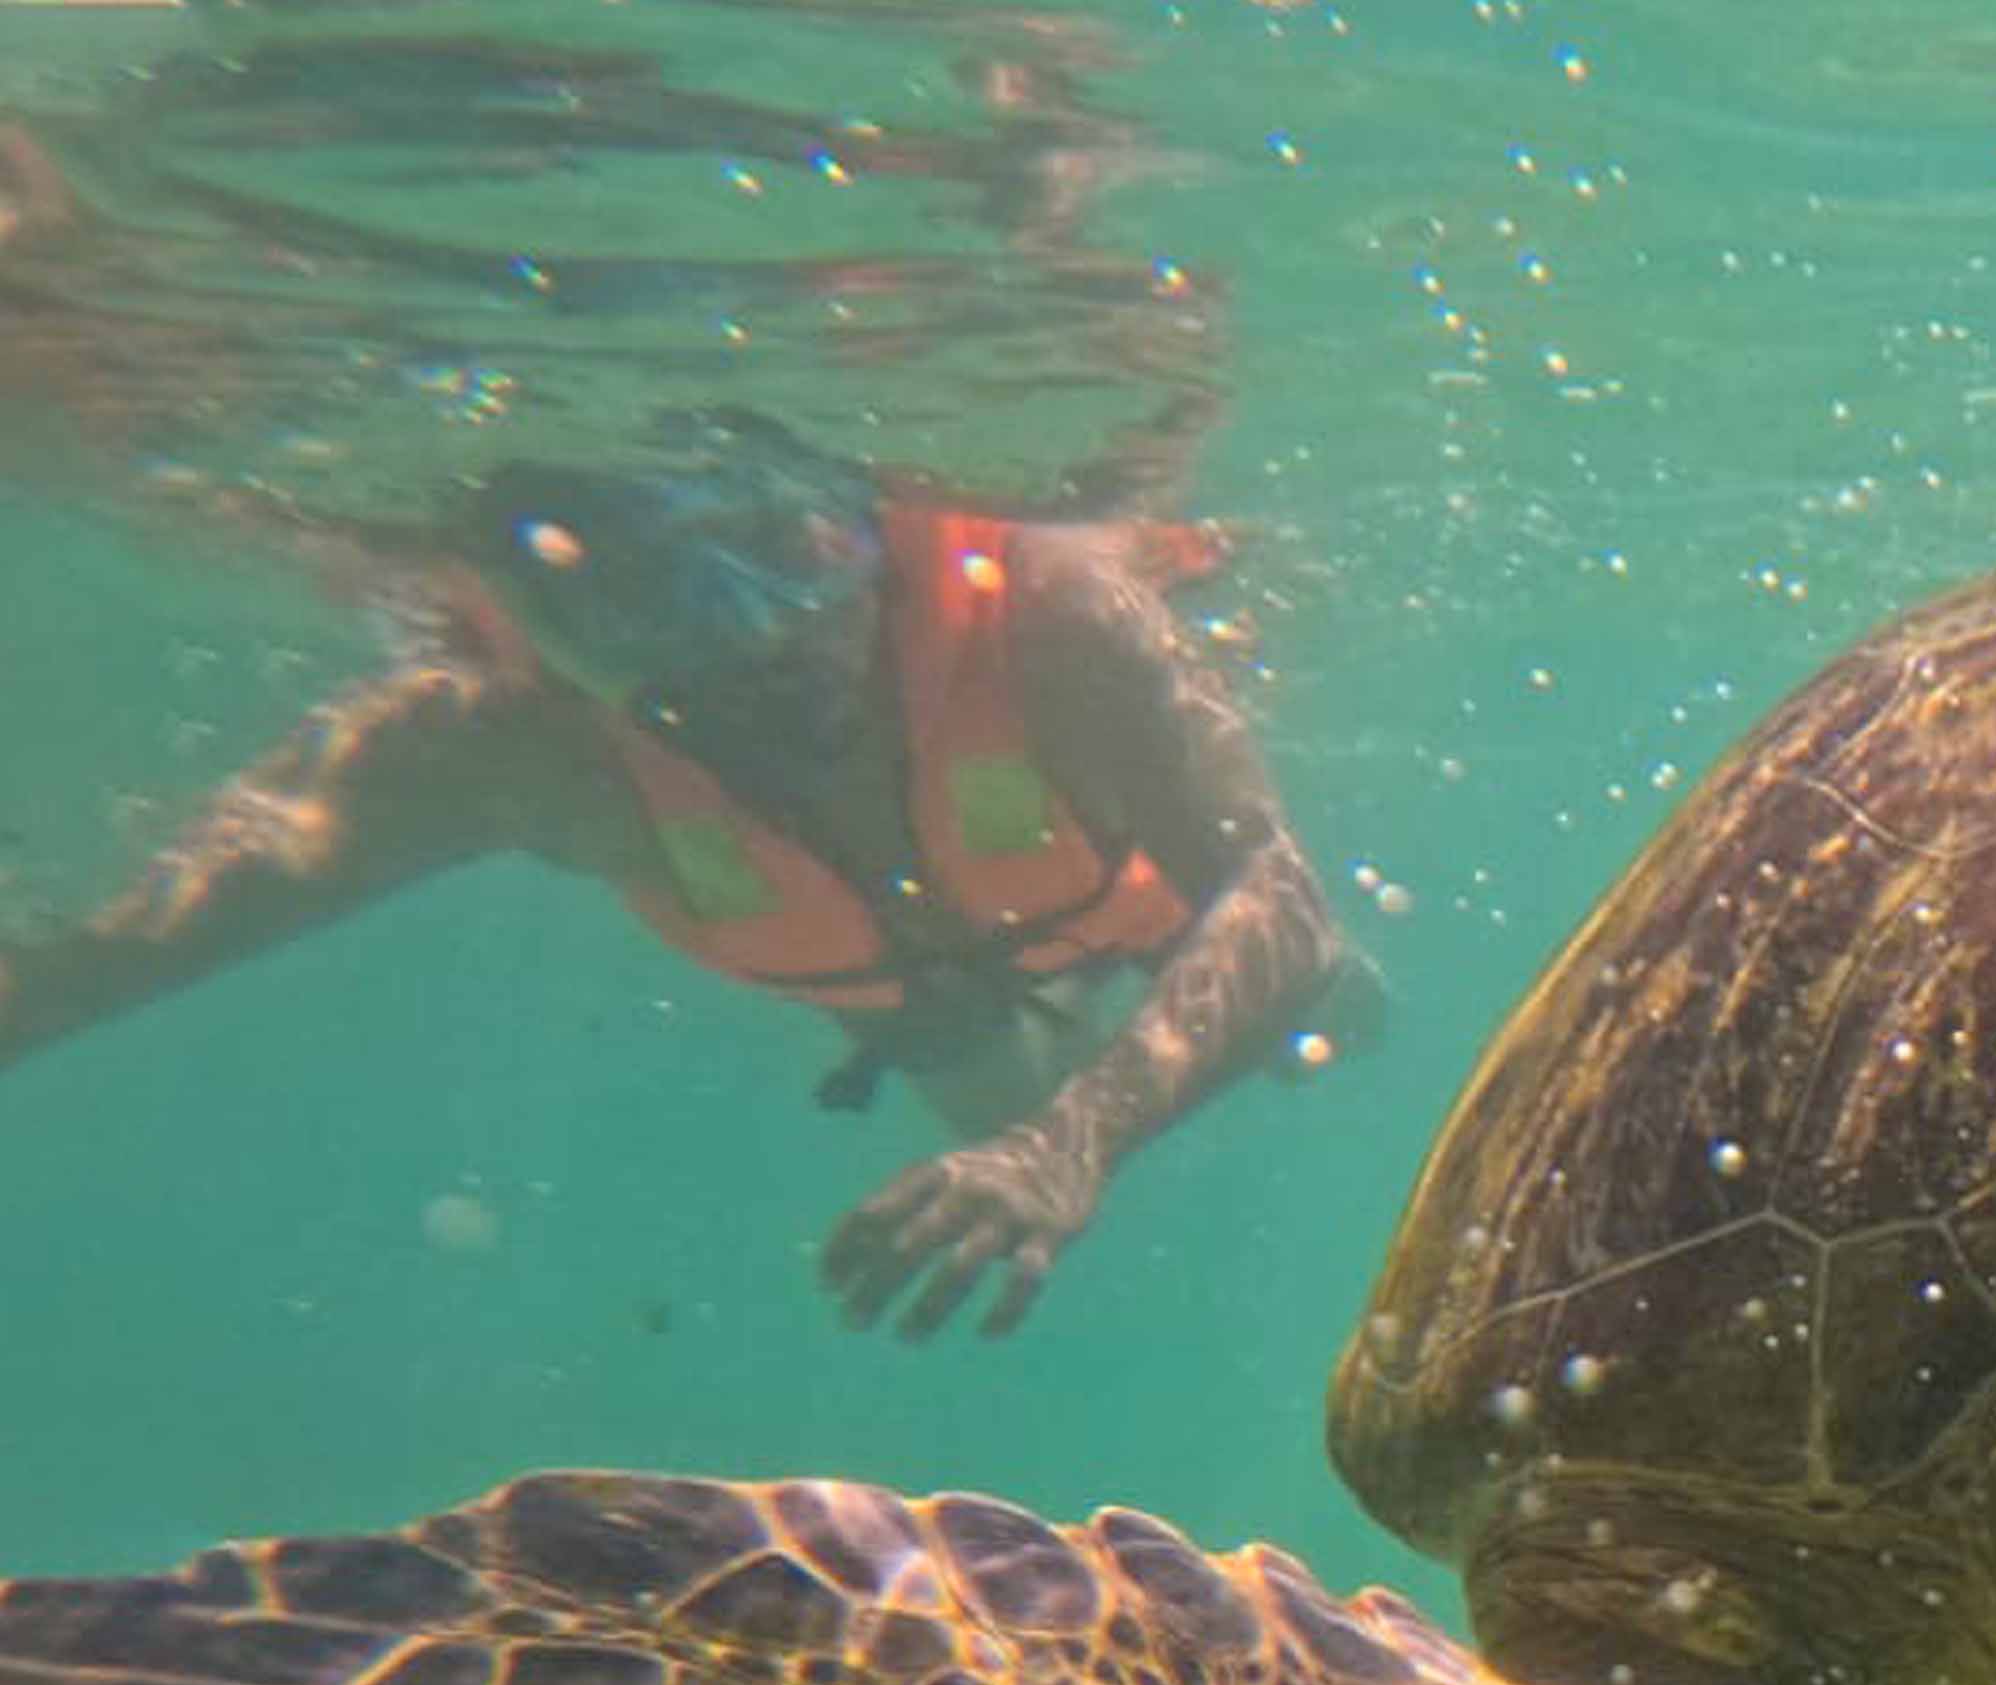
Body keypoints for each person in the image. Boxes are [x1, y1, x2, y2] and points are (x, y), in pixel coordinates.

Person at [0, 405, 1367, 1335]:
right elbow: (140, 939)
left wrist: (1069, 1152)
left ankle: (1258, 1041)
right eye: (637, 601)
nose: (749, 639)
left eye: (784, 559)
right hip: (915, 995)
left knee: (1307, 1000)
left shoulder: (1055, 605)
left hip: (1116, 906)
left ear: (852, 521)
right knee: (987, 1108)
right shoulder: (518, 750)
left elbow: (1279, 898)